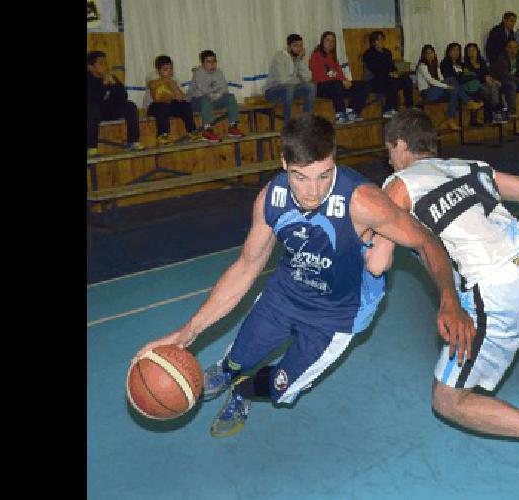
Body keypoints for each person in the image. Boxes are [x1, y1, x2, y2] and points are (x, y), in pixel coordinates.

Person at [133, 114, 475, 439]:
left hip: (337, 317)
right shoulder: (272, 199)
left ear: (334, 161)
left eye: (324, 175)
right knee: (239, 357)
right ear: (284, 164)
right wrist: (187, 333)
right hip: (283, 296)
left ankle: (244, 391)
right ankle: (229, 370)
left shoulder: (364, 202)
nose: (313, 191)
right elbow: (246, 267)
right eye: (301, 176)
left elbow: (426, 241)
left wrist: (449, 297)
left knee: (281, 386)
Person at [372, 109, 519, 486]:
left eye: (389, 151)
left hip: (493, 286)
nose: (389, 159)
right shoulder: (471, 166)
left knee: (449, 400)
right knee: (518, 312)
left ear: (401, 146)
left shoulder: (398, 185)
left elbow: (378, 262)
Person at [87, 50, 143, 155]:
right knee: (92, 108)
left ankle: (133, 142)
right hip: (94, 112)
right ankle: (91, 147)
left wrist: (113, 84)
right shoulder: (89, 79)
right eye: (101, 63)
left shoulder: (111, 77)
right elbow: (92, 99)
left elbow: (123, 97)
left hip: (110, 110)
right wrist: (103, 85)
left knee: (130, 106)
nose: (105, 66)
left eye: (106, 62)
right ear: (91, 67)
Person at [310, 31, 371, 124]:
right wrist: (341, 81)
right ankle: (340, 114)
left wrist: (346, 81)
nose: (330, 43)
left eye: (333, 41)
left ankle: (352, 112)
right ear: (322, 41)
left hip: (336, 85)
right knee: (336, 84)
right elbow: (321, 77)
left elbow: (340, 74)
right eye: (328, 40)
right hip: (321, 87)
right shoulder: (316, 56)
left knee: (363, 85)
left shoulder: (333, 57)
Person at [415, 44, 478, 131]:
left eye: (431, 53)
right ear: (424, 55)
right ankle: (469, 102)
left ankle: (451, 120)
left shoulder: (436, 66)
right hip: (427, 93)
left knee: (453, 91)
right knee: (452, 80)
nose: (430, 55)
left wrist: (448, 87)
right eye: (427, 53)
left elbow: (441, 79)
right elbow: (431, 81)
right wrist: (446, 86)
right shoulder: (422, 66)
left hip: (438, 91)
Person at [188, 50, 245, 142]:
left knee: (230, 97)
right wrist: (214, 94)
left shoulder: (219, 72)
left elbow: (224, 88)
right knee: (205, 99)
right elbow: (203, 90)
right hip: (197, 101)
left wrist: (218, 94)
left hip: (213, 99)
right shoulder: (198, 73)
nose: (212, 64)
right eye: (208, 61)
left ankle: (233, 127)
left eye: (214, 61)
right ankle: (207, 130)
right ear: (203, 63)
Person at [145, 55, 201, 146]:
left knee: (185, 105)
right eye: (166, 69)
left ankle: (192, 131)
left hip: (169, 105)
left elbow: (181, 98)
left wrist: (174, 87)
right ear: (158, 70)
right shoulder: (152, 76)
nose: (169, 71)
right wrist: (165, 80)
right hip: (154, 106)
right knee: (162, 107)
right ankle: (163, 135)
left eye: (171, 69)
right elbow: (155, 94)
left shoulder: (174, 80)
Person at [264, 34, 316, 124]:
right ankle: (287, 123)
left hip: (290, 91)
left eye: (300, 46)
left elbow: (308, 77)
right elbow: (283, 81)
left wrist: (299, 60)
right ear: (288, 47)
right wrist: (299, 80)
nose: (299, 49)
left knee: (311, 87)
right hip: (272, 92)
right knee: (289, 87)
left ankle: (306, 120)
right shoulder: (279, 57)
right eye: (295, 46)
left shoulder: (297, 58)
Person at [363, 31, 414, 118]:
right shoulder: (369, 54)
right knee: (391, 81)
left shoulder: (387, 52)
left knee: (407, 79)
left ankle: (409, 106)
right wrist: (389, 74)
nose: (382, 41)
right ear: (374, 42)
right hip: (374, 80)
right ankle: (388, 109)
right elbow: (375, 69)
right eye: (379, 39)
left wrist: (397, 72)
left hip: (389, 77)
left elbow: (392, 66)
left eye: (383, 39)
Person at [441, 42, 488, 127]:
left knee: (474, 88)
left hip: (458, 87)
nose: (456, 52)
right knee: (454, 82)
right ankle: (469, 103)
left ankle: (483, 116)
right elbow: (450, 77)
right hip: (447, 88)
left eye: (458, 50)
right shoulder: (445, 62)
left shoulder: (460, 64)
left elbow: (461, 78)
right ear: (449, 52)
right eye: (453, 50)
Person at [463, 43, 507, 124]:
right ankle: (497, 108)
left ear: (477, 51)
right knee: (496, 92)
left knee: (496, 86)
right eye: (469, 51)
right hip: (475, 86)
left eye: (473, 50)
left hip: (485, 85)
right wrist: (484, 78)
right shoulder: (465, 64)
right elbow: (471, 77)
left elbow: (487, 74)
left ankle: (498, 110)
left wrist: (493, 80)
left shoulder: (481, 62)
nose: (472, 52)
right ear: (466, 53)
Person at [490, 40, 519, 117]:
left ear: (518, 48)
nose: (512, 50)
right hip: (501, 83)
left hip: (514, 81)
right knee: (512, 85)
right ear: (506, 48)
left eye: (515, 47)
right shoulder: (502, 59)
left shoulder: (518, 58)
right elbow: (506, 76)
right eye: (510, 47)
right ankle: (511, 111)